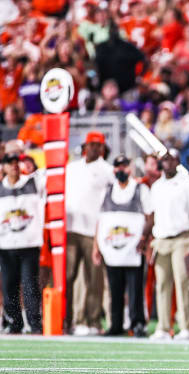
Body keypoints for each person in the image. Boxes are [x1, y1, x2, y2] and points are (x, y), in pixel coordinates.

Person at [144, 149, 189, 340]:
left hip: (182, 237)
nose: (167, 162)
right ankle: (163, 327)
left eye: (171, 159)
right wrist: (144, 239)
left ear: (178, 161)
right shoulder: (157, 186)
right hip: (161, 239)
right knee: (162, 284)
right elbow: (152, 215)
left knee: (184, 282)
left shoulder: (188, 183)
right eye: (164, 159)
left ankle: (187, 326)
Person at [92, 155, 151, 337]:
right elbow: (100, 221)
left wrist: (145, 239)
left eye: (124, 166)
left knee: (135, 288)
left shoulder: (141, 189)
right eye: (117, 167)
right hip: (112, 248)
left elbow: (150, 216)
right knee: (114, 288)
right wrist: (96, 246)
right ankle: (116, 323)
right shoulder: (107, 190)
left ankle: (137, 322)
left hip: (134, 247)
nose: (121, 170)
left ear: (130, 168)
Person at [65, 131, 114, 335]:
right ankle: (68, 321)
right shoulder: (71, 167)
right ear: (85, 145)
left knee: (93, 278)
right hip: (69, 228)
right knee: (67, 277)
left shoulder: (107, 170)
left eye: (98, 145)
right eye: (91, 144)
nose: (94, 148)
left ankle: (93, 321)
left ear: (103, 148)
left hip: (93, 231)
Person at [0, 152, 44, 334]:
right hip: (6, 245)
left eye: (16, 162)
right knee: (9, 285)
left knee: (29, 285)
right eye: (10, 163)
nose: (14, 166)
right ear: (3, 166)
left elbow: (49, 173)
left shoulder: (33, 183)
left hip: (29, 244)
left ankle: (35, 324)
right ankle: (14, 323)